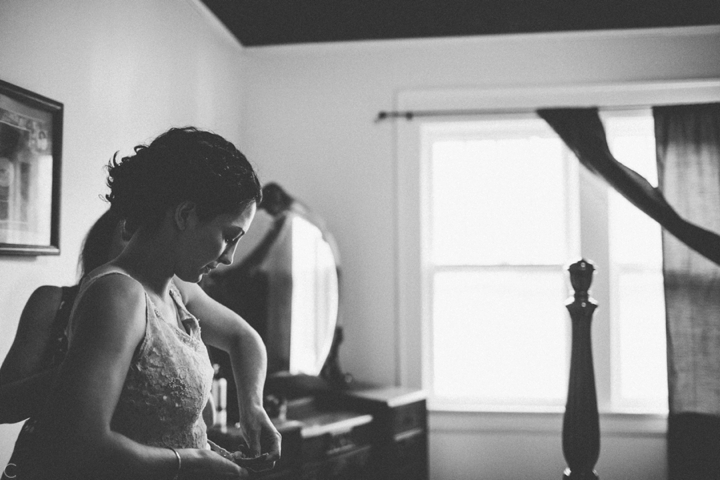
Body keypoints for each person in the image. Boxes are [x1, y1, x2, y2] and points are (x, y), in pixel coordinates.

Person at [5, 127, 281, 479]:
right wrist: (193, 462)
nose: (229, 258)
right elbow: (81, 449)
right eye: (229, 237)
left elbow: (243, 340)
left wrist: (250, 409)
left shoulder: (176, 294)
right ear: (185, 215)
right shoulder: (118, 295)